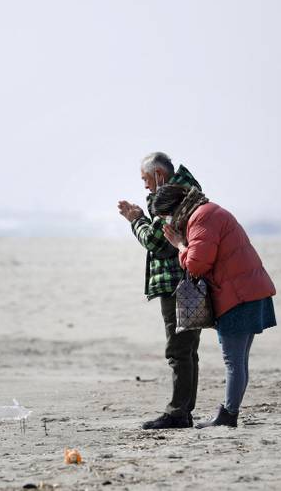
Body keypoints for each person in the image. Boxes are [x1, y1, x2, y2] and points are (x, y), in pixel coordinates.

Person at [154, 184, 277, 428]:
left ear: (175, 208)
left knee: (233, 361)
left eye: (165, 216)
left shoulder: (201, 218)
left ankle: (228, 415)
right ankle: (230, 412)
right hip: (250, 290)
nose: (167, 222)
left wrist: (179, 244)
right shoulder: (208, 211)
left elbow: (196, 265)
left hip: (238, 296)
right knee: (240, 360)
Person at [117, 152, 203, 429]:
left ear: (159, 175)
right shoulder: (187, 191)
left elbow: (156, 241)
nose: (145, 186)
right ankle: (183, 410)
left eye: (145, 179)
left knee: (179, 351)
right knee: (187, 350)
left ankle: (178, 413)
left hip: (177, 282)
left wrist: (136, 219)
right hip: (190, 278)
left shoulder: (173, 196)